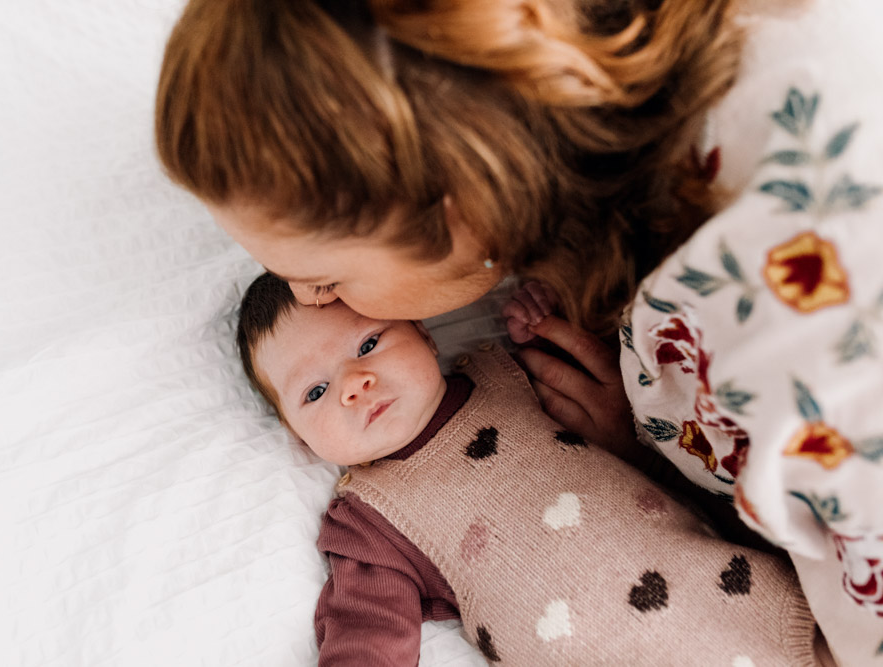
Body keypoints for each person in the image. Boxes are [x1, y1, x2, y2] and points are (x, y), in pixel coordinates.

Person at [156, 0, 883, 663]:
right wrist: (636, 446)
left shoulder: (780, 295)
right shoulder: (375, 516)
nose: (308, 297)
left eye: (328, 279)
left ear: (453, 208)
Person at [236, 272, 822, 666]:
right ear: (298, 436)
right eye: (315, 392)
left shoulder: (509, 376)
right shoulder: (371, 522)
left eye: (367, 346)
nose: (353, 386)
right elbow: (368, 632)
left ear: (420, 331)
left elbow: (627, 404)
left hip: (757, 603)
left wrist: (544, 321)